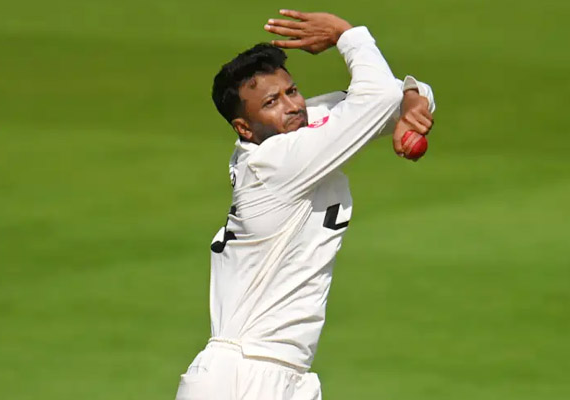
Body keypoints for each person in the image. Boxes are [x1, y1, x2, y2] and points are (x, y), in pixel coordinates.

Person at [176, 10, 436, 400]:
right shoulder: (275, 163)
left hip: (281, 374)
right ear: (244, 127)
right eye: (272, 102)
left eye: (292, 91)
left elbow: (391, 97)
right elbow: (380, 96)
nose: (293, 105)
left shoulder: (295, 134)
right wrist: (345, 34)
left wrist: (412, 99)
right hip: (243, 376)